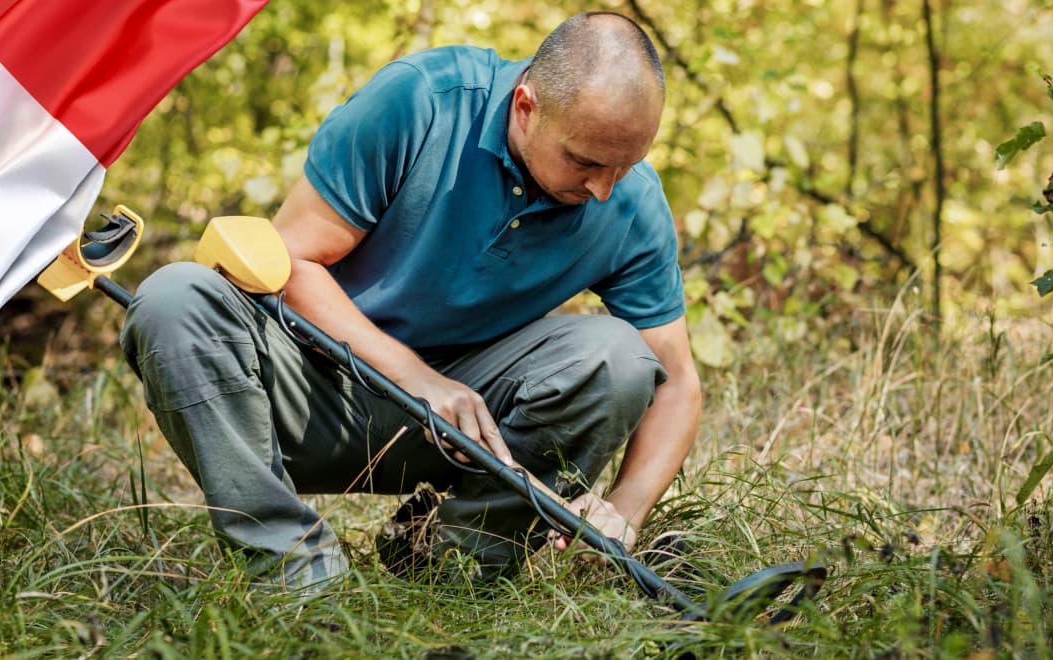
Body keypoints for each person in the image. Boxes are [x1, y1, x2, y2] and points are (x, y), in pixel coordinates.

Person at [120, 11, 700, 591]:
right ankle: (294, 567)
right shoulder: (422, 100)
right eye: (586, 161)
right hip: (308, 386)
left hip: (469, 427)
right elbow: (291, 262)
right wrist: (415, 377)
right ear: (526, 107)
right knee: (175, 297)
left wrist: (625, 509)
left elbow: (676, 382)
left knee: (620, 359)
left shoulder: (631, 203)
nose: (604, 188)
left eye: (626, 164)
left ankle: (451, 562)